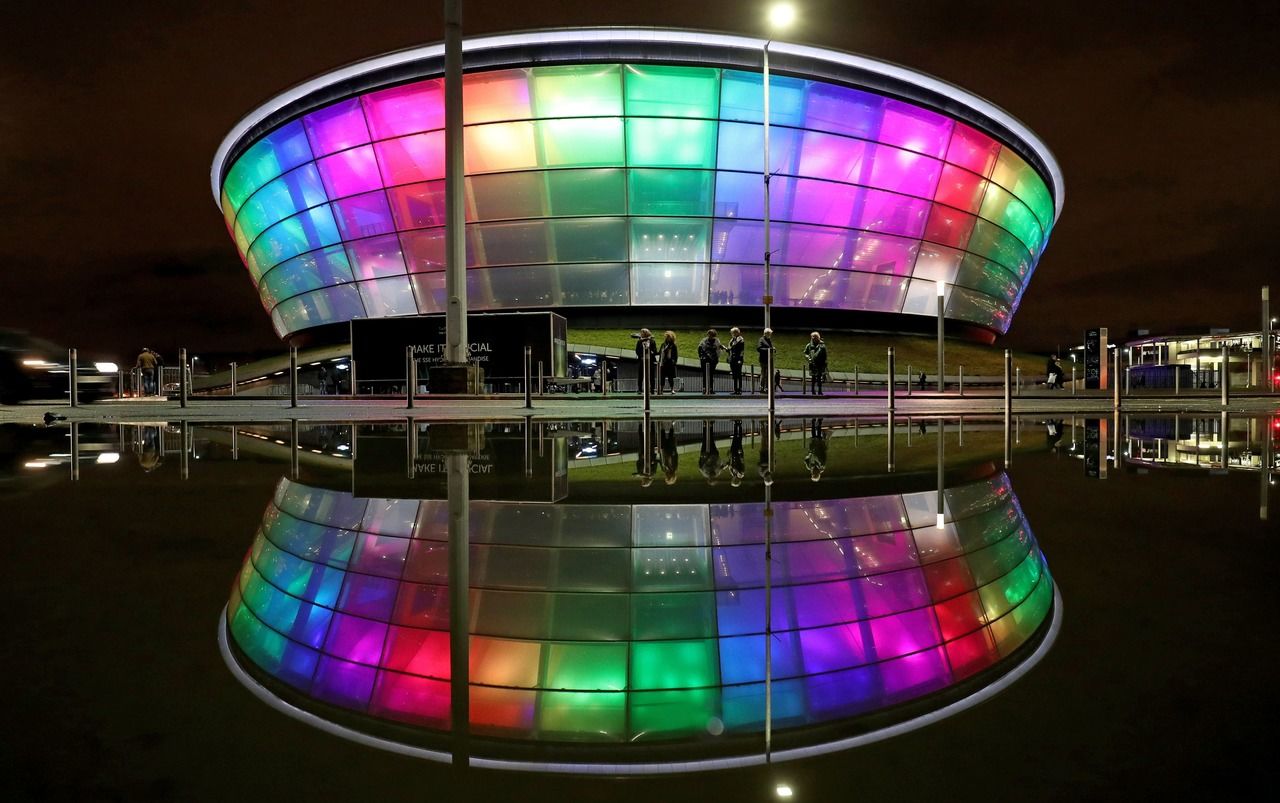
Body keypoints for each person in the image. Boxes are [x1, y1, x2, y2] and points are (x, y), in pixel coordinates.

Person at [697, 329, 726, 395]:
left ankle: (711, 389)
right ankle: (704, 389)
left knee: (711, 375)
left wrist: (722, 350)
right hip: (705, 360)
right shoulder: (704, 340)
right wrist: (701, 357)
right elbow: (699, 348)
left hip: (713, 360)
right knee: (705, 374)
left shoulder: (717, 341)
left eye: (712, 335)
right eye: (709, 335)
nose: (710, 336)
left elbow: (719, 348)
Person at [803, 331, 828, 396]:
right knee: (813, 378)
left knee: (819, 378)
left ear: (818, 338)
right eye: (813, 337)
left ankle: (820, 390)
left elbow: (825, 355)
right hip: (812, 364)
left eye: (815, 337)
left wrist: (824, 363)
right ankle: (813, 390)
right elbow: (805, 353)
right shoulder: (809, 345)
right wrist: (809, 358)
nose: (814, 338)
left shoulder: (822, 345)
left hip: (819, 364)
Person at [634, 328, 657, 395]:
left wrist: (650, 351)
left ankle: (652, 389)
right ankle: (640, 389)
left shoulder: (652, 341)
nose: (641, 334)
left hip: (650, 360)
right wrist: (641, 356)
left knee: (651, 376)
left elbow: (654, 351)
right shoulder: (639, 341)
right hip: (642, 360)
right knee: (640, 375)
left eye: (642, 333)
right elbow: (637, 351)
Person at [727, 327, 746, 395]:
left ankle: (739, 389)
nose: (732, 334)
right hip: (732, 359)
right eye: (732, 333)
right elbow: (730, 348)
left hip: (738, 359)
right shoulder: (732, 339)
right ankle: (735, 389)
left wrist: (740, 359)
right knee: (734, 374)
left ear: (737, 332)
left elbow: (741, 350)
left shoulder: (740, 339)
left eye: (733, 332)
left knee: (739, 374)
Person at [757, 328, 775, 393]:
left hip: (768, 360)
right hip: (763, 360)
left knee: (767, 375)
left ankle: (767, 388)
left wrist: (773, 349)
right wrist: (769, 350)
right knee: (763, 374)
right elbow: (759, 348)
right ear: (766, 333)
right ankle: (762, 388)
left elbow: (770, 347)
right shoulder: (761, 340)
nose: (770, 335)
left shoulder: (768, 340)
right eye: (769, 334)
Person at [729, 419, 746, 486]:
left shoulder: (732, 473)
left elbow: (730, 465)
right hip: (738, 455)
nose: (733, 479)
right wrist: (740, 454)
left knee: (734, 439)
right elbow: (742, 462)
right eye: (734, 480)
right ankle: (740, 426)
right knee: (739, 440)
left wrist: (729, 456)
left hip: (733, 455)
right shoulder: (741, 473)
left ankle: (736, 425)